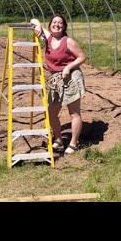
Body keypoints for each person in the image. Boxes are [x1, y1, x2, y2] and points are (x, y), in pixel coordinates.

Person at [30, 15, 86, 154]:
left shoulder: (68, 41)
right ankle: (59, 141)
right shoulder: (48, 39)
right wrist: (37, 24)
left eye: (60, 23)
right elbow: (33, 21)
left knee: (74, 113)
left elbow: (82, 57)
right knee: (51, 112)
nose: (57, 24)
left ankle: (73, 143)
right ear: (49, 26)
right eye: (54, 22)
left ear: (64, 26)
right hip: (56, 80)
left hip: (70, 77)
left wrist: (68, 67)